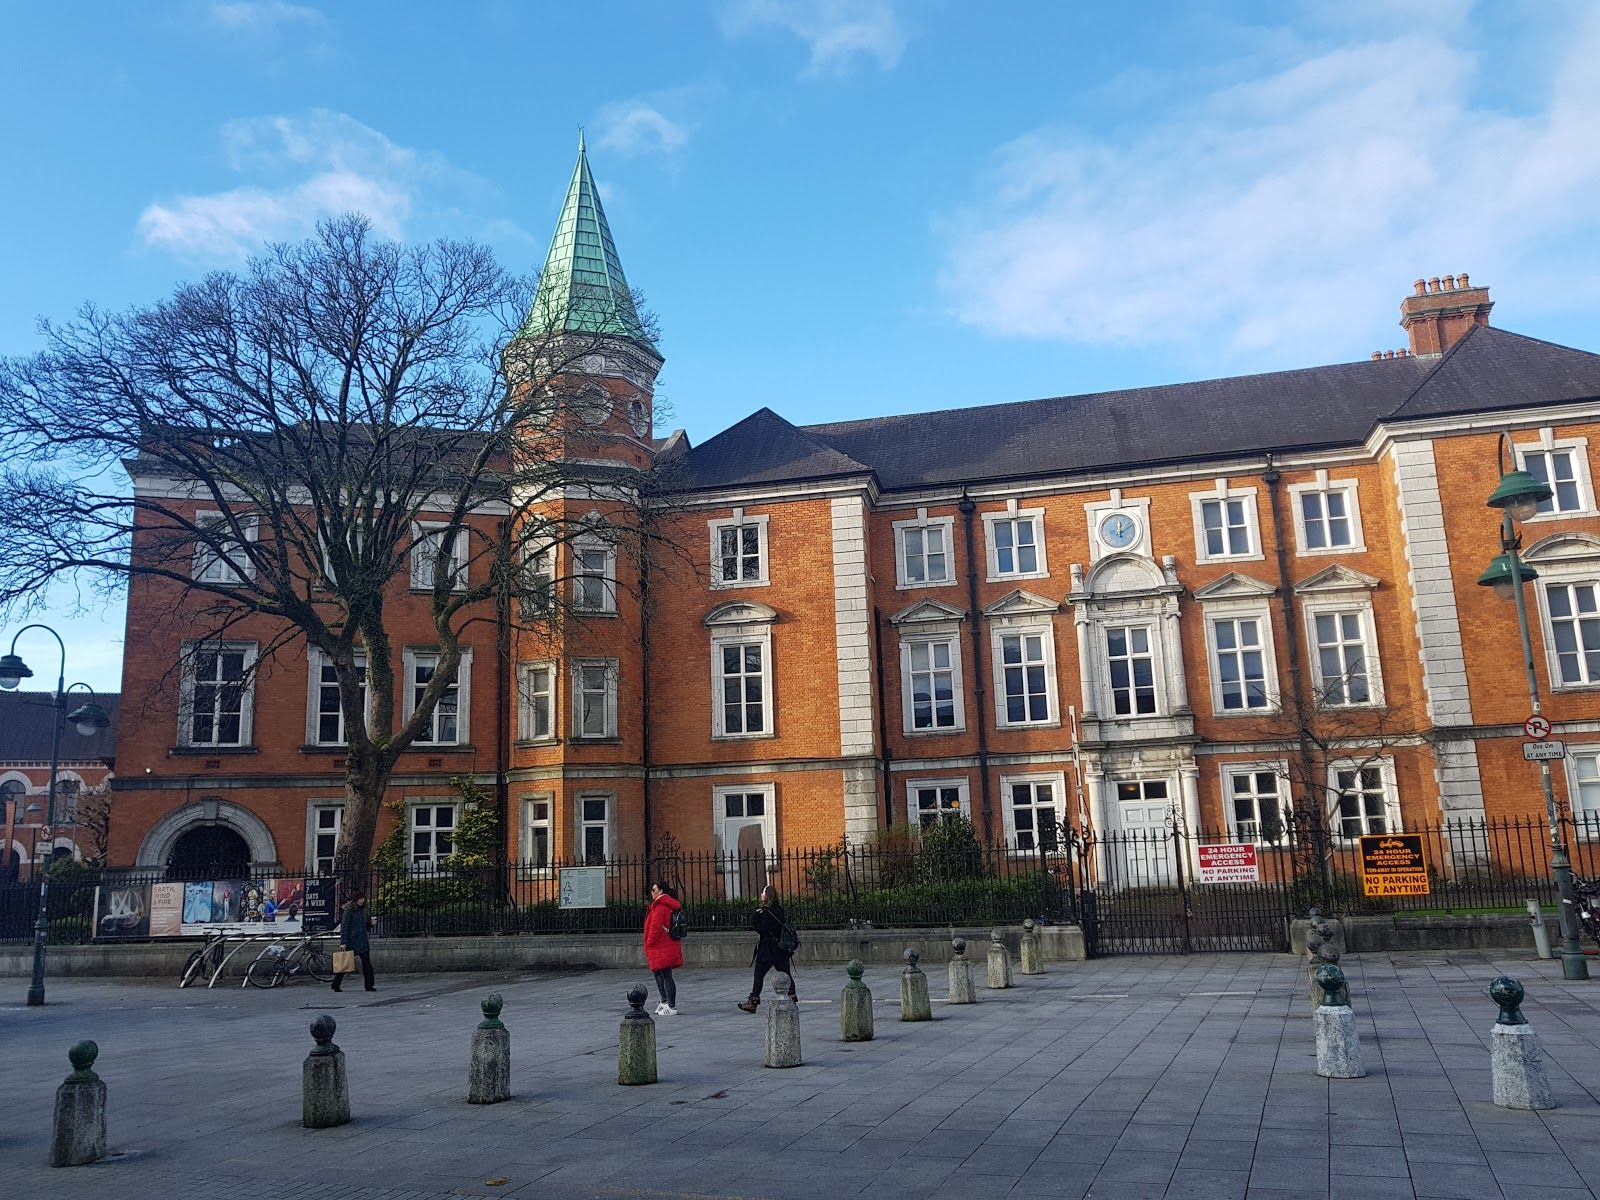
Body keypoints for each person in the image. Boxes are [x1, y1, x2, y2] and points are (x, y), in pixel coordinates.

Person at [738, 884, 796, 1012]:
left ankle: (753, 1001)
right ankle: (792, 998)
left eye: (763, 894)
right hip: (781, 949)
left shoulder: (766, 912)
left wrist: (756, 915)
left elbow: (761, 929)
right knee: (786, 974)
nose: (761, 896)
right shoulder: (779, 910)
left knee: (759, 974)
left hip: (767, 950)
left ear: (766, 896)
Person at [643, 880, 683, 1016]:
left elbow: (656, 926)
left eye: (654, 890)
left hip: (661, 945)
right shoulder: (663, 904)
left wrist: (649, 942)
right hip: (663, 945)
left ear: (660, 891)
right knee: (659, 974)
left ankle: (671, 1005)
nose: (651, 893)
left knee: (666, 975)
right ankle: (664, 1001)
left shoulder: (660, 906)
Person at [332, 892, 375, 993]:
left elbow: (364, 925)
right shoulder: (349, 911)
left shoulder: (362, 910)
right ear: (356, 900)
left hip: (362, 941)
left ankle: (369, 985)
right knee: (345, 963)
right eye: (360, 899)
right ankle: (335, 984)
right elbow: (345, 927)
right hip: (352, 941)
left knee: (367, 964)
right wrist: (343, 942)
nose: (362, 901)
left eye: (363, 899)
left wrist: (371, 924)